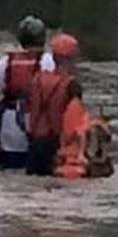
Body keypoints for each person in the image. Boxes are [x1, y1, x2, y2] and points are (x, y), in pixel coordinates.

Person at [0, 15, 56, 169]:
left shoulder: (5, 63)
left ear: (20, 39)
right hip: (42, 132)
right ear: (43, 38)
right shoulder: (52, 62)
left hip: (11, 132)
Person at [25, 33, 83, 176]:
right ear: (68, 59)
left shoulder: (36, 80)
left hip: (34, 144)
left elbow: (28, 110)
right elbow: (77, 123)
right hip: (56, 146)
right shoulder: (72, 85)